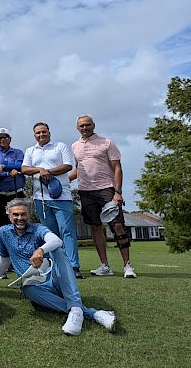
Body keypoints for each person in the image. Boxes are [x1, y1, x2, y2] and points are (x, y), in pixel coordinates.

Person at [0, 199, 117, 335]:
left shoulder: (37, 228)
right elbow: (5, 259)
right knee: (27, 289)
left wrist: (40, 250)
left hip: (55, 279)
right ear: (9, 216)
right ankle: (87, 312)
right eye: (15, 215)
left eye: (23, 214)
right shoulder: (4, 232)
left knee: (57, 250)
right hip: (34, 285)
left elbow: (56, 240)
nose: (20, 218)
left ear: (29, 215)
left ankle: (76, 308)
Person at [70, 115, 136, 278]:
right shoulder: (74, 146)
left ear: (93, 125)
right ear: (77, 128)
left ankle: (127, 266)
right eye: (81, 126)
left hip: (107, 189)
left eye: (87, 125)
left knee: (118, 225)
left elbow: (117, 168)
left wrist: (118, 192)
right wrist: (57, 180)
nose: (84, 128)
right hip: (85, 191)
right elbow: (78, 170)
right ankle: (105, 266)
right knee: (95, 227)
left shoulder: (107, 142)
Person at [21, 122, 82, 278]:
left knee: (67, 231)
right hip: (40, 198)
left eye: (44, 132)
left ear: (49, 132)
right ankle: (56, 265)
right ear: (34, 135)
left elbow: (68, 165)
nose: (41, 135)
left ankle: (73, 266)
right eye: (38, 133)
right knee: (49, 235)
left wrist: (47, 172)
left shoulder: (60, 146)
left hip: (62, 196)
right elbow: (24, 169)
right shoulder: (30, 150)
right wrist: (40, 170)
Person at [0, 127, 25, 231]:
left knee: (20, 225)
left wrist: (2, 167)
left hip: (16, 193)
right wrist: (8, 173)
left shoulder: (18, 152)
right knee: (1, 226)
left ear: (10, 139)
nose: (2, 139)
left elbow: (19, 165)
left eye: (5, 137)